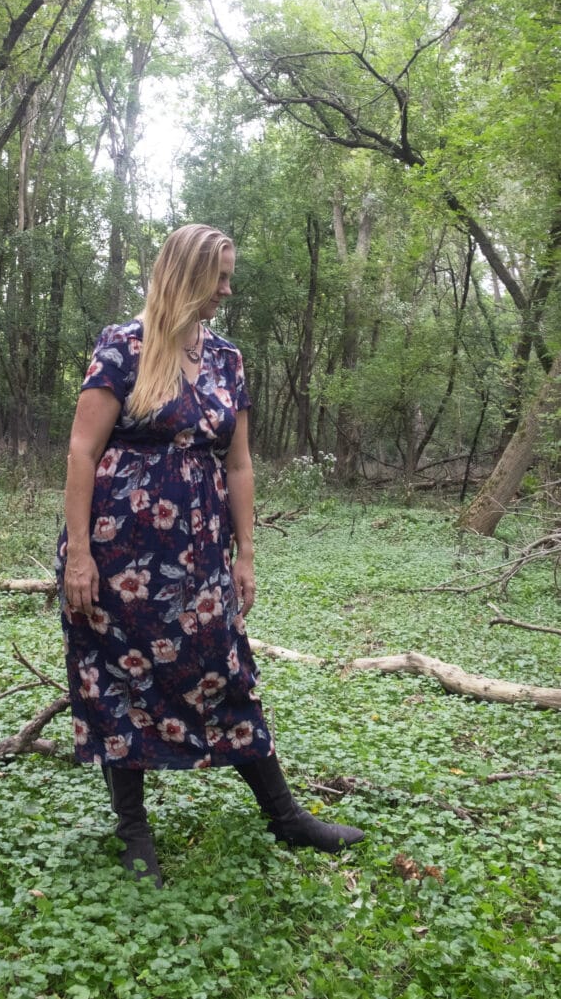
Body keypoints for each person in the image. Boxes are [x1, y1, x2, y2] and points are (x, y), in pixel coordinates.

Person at [56, 224, 364, 886]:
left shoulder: (228, 358)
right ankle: (133, 831)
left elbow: (241, 462)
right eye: (219, 276)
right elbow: (82, 450)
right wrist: (79, 553)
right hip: (118, 551)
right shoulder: (123, 346)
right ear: (185, 273)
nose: (227, 289)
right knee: (121, 677)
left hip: (198, 549)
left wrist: (246, 551)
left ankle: (286, 816)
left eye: (229, 276)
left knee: (228, 669)